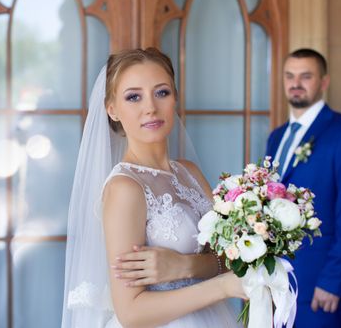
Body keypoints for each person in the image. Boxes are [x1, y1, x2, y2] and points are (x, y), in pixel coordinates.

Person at [62, 47, 245, 328]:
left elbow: (231, 257)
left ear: (175, 98)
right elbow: (131, 313)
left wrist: (186, 266)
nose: (150, 107)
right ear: (112, 109)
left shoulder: (189, 172)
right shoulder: (126, 188)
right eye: (133, 97)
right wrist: (222, 288)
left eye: (161, 92)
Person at [265, 48, 341, 327]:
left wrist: (333, 280)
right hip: (277, 281)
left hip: (320, 283)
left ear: (323, 82)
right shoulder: (277, 137)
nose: (295, 83)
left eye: (306, 76)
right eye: (289, 76)